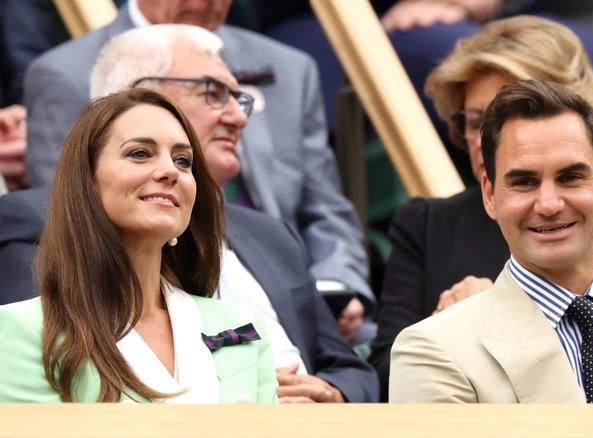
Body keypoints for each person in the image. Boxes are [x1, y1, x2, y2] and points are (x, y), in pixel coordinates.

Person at [24, 24, 379, 404]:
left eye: (183, 161)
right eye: (214, 93)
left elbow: (350, 367)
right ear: (144, 93)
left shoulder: (273, 236)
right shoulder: (33, 228)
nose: (240, 117)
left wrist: (331, 394)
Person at [370, 15, 593, 401]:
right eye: (477, 121)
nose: (549, 204)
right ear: (489, 193)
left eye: (570, 177)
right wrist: (461, 329)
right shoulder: (429, 228)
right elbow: (396, 370)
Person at [0, 88, 278, 403]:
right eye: (140, 153)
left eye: (183, 160)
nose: (171, 172)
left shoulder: (244, 324)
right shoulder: (20, 332)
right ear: (87, 180)